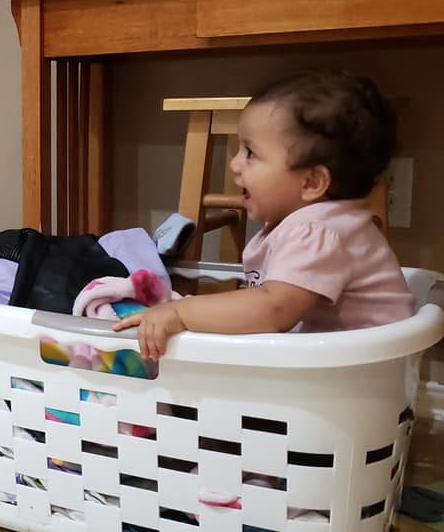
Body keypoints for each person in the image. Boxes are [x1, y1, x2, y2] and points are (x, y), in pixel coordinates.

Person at [114, 68, 414, 360]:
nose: (234, 164)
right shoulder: (320, 221)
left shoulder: (316, 229)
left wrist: (181, 312)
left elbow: (273, 309)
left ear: (311, 182)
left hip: (357, 383)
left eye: (250, 153)